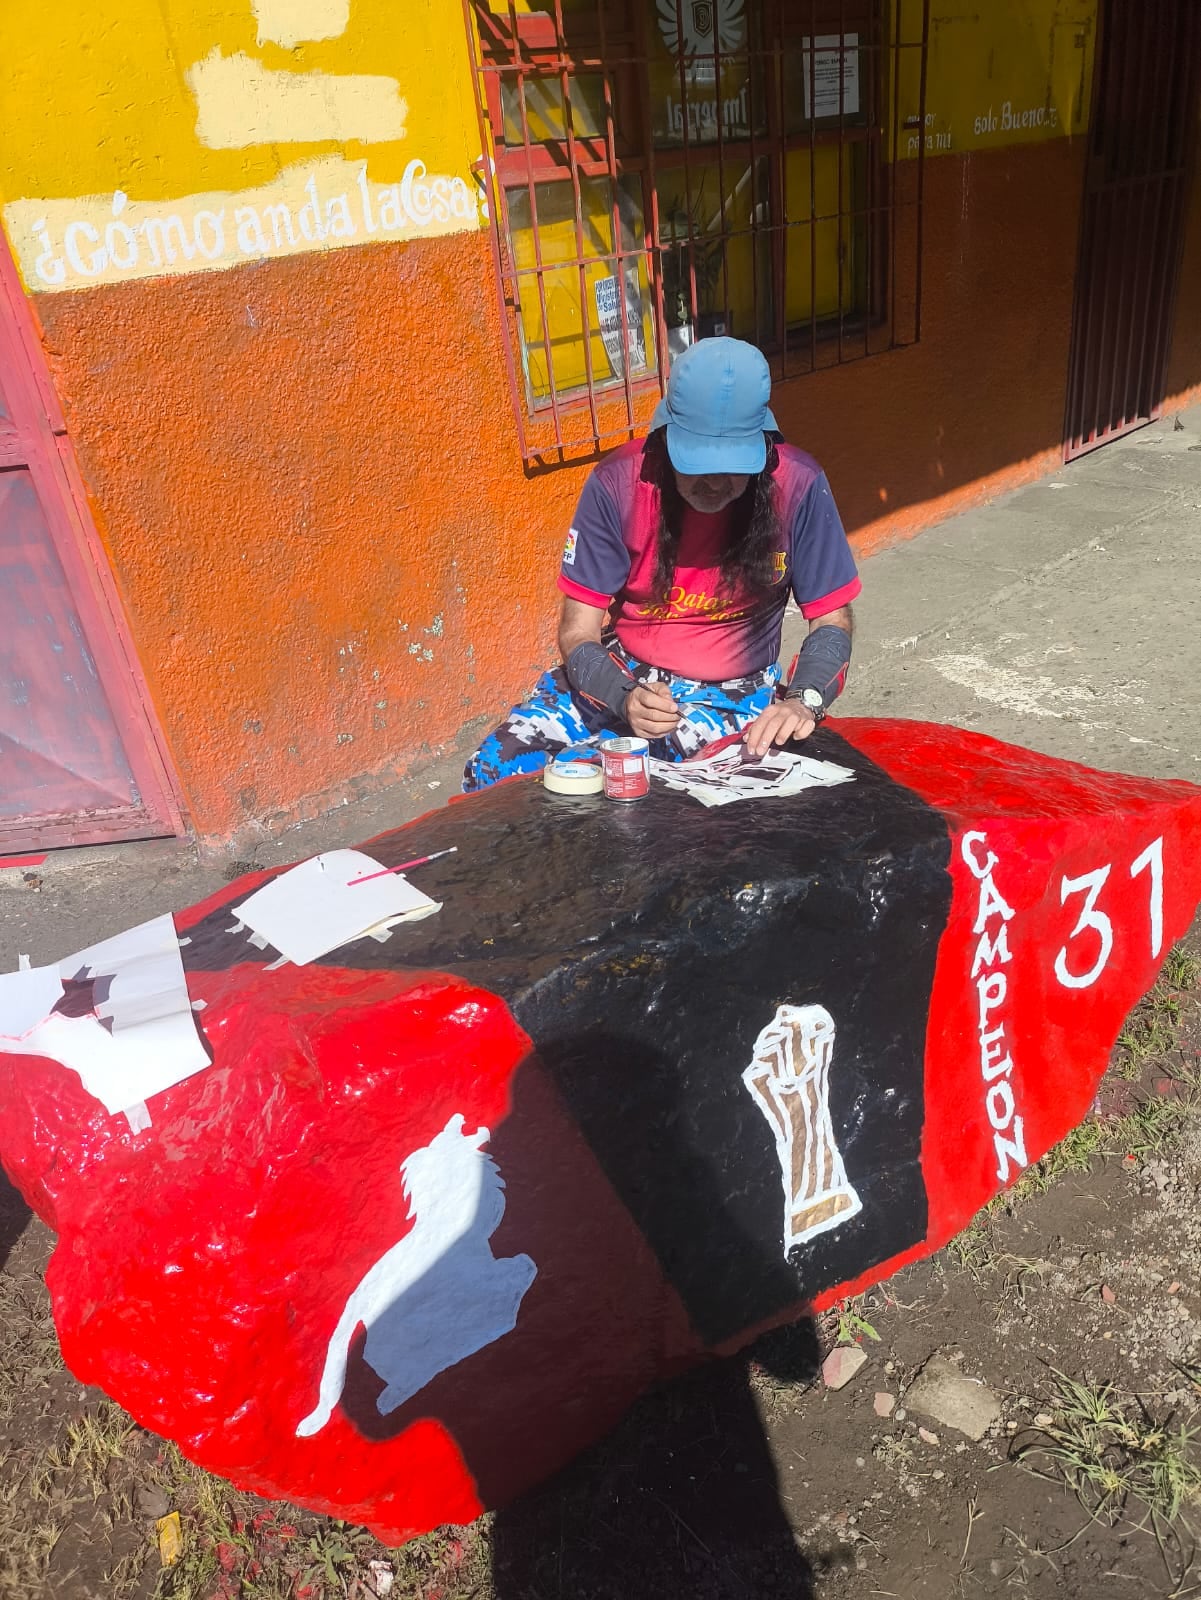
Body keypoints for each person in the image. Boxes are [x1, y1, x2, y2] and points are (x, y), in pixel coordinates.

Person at [463, 337, 859, 792]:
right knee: (496, 770)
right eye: (697, 463)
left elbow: (832, 619)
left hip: (731, 697)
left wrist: (803, 701)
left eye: (733, 465)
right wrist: (623, 696)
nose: (714, 482)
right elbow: (577, 632)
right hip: (623, 673)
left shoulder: (798, 484)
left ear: (762, 445)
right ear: (666, 438)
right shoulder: (618, 484)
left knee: (599, 787)